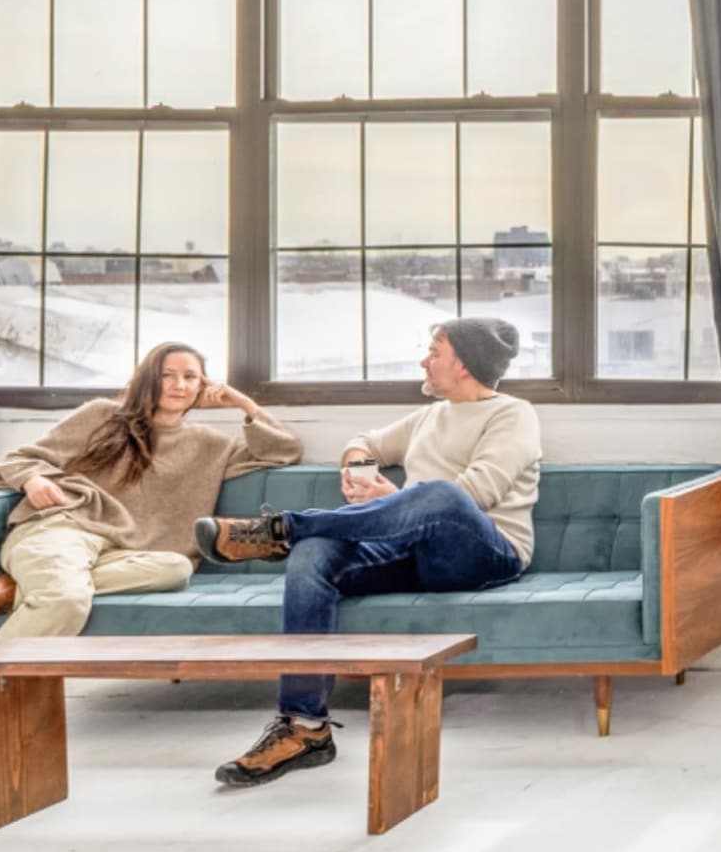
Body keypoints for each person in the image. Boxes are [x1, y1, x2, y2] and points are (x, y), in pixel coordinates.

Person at [0, 341, 299, 766]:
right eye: (167, 374)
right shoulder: (101, 415)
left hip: (124, 554)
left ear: (203, 386)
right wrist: (33, 482)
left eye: (191, 377)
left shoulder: (210, 445)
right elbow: (19, 460)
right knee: (65, 600)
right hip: (64, 527)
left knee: (178, 567)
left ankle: (14, 590)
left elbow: (284, 450)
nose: (179, 384)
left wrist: (242, 403)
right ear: (148, 377)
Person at [195, 314, 541, 789]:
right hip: (410, 550)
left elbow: (475, 495)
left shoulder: (513, 414)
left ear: (462, 364)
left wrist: (389, 499)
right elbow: (366, 443)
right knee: (313, 555)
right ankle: (305, 729)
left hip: (484, 554)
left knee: (441, 495)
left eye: (434, 352)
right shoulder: (430, 415)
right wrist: (360, 473)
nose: (424, 361)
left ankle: (284, 529)